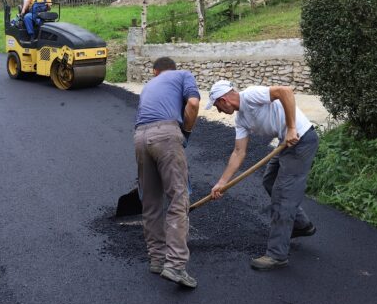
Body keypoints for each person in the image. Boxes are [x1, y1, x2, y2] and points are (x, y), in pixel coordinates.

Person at [205, 80, 319, 271]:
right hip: (285, 142)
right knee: (270, 181)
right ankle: (302, 225)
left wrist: (291, 128)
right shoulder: (241, 119)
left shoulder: (251, 95)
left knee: (284, 194)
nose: (218, 111)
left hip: (301, 140)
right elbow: (238, 152)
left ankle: (277, 255)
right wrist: (222, 183)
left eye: (217, 106)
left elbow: (285, 91)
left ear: (224, 100)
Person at [134, 57, 200, 288]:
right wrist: (186, 132)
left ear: (155, 71)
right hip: (166, 134)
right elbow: (193, 104)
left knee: (151, 202)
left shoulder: (148, 86)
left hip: (140, 137)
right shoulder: (184, 75)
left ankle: (157, 259)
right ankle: (175, 265)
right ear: (174, 68)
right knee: (178, 200)